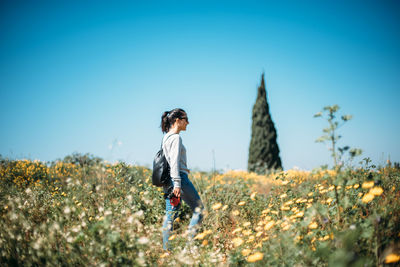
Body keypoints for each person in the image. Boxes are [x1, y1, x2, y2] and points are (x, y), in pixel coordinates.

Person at [160, 108, 203, 251]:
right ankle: (189, 247)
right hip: (179, 179)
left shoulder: (166, 137)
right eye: (186, 119)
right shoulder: (176, 138)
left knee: (170, 216)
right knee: (199, 210)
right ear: (177, 120)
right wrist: (177, 184)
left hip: (168, 181)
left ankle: (167, 252)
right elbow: (174, 162)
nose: (188, 123)